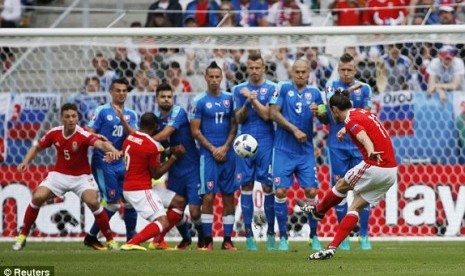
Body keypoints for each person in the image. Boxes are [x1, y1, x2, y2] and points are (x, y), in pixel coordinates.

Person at [302, 89, 398, 260]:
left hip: (375, 164)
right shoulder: (361, 112)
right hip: (391, 172)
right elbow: (363, 126)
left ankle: (318, 211)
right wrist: (346, 131)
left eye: (332, 111)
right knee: (355, 207)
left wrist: (370, 151)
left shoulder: (350, 120)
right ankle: (331, 248)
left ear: (335, 110)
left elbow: (363, 137)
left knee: (341, 185)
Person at [12, 103, 121, 251]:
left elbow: (101, 144)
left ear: (77, 117)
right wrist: (25, 162)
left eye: (74, 116)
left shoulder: (83, 134)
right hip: (59, 176)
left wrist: (113, 150)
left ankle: (110, 240)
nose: (71, 119)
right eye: (67, 116)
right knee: (37, 197)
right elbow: (37, 147)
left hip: (81, 177)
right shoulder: (54, 133)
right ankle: (22, 236)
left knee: (94, 203)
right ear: (62, 118)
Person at [269, 59, 325, 251]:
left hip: (305, 151)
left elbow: (326, 117)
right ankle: (283, 237)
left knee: (311, 192)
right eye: (297, 72)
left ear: (308, 73)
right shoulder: (282, 88)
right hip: (283, 149)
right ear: (291, 72)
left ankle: (314, 236)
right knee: (280, 192)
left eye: (304, 72)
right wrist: (294, 129)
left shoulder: (315, 93)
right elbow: (273, 113)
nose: (300, 75)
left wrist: (320, 112)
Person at [323, 53, 373, 251]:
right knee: (340, 190)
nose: (345, 73)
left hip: (358, 146)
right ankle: (342, 238)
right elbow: (333, 110)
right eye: (342, 70)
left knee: (364, 190)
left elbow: (367, 115)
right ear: (338, 70)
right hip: (337, 146)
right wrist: (347, 93)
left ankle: (364, 236)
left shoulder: (365, 88)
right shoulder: (330, 88)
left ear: (355, 70)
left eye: (349, 70)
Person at [145, 83, 203, 250]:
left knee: (194, 211)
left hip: (192, 167)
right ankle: (186, 239)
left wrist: (141, 142)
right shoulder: (156, 119)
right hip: (175, 169)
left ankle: (203, 238)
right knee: (175, 207)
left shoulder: (178, 112)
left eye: (169, 96)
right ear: (157, 98)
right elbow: (160, 147)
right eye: (163, 96)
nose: (166, 99)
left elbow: (165, 135)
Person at [83, 78, 139, 250]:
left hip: (123, 162)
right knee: (114, 203)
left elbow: (135, 136)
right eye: (118, 90)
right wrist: (102, 140)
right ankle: (91, 236)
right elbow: (88, 132)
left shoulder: (131, 114)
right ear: (111, 92)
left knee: (130, 200)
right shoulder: (101, 111)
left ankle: (131, 239)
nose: (121, 93)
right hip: (103, 162)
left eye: (124, 91)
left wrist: (124, 122)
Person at [119, 112, 186, 251]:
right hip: (140, 189)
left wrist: (167, 151)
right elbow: (156, 174)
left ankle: (158, 242)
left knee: (179, 202)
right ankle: (133, 242)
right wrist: (174, 157)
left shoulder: (130, 137)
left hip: (130, 187)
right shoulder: (152, 145)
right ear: (155, 126)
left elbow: (146, 157)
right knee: (163, 221)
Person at [232, 52, 278, 251]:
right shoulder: (238, 90)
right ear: (247, 68)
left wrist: (253, 100)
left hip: (267, 141)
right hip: (244, 142)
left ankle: (270, 234)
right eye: (251, 68)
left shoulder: (272, 88)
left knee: (268, 187)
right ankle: (249, 235)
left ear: (264, 67)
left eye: (257, 67)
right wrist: (245, 102)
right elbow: (238, 119)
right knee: (246, 186)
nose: (254, 71)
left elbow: (268, 116)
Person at [190, 61, 238, 250]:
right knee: (208, 197)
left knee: (228, 196)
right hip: (208, 156)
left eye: (218, 77)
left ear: (222, 77)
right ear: (206, 77)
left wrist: (225, 147)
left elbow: (234, 125)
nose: (215, 80)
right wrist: (213, 149)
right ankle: (208, 240)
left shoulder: (230, 99)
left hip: (228, 154)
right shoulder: (198, 101)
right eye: (211, 77)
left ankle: (227, 240)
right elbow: (195, 130)